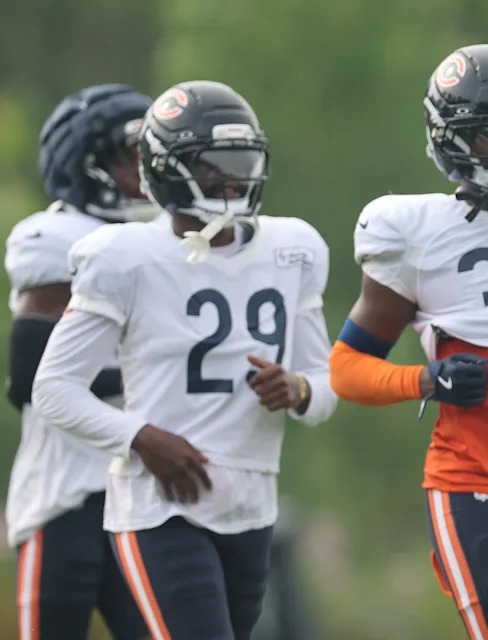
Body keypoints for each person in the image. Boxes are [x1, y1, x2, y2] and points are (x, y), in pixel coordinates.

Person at [31, 80, 338, 640]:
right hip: (159, 509)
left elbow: (326, 386)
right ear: (169, 170)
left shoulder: (292, 248)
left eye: (240, 161)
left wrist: (298, 389)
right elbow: (54, 388)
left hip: (251, 505)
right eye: (213, 165)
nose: (232, 178)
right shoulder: (126, 256)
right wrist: (142, 437)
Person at [329, 44, 488, 639]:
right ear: (451, 139)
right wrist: (424, 380)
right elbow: (345, 368)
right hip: (477, 482)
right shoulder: (412, 232)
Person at [4, 83, 154, 640]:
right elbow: (29, 378)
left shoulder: (171, 240)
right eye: (132, 154)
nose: (148, 169)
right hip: (65, 493)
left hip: (145, 495)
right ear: (88, 163)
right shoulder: (56, 238)